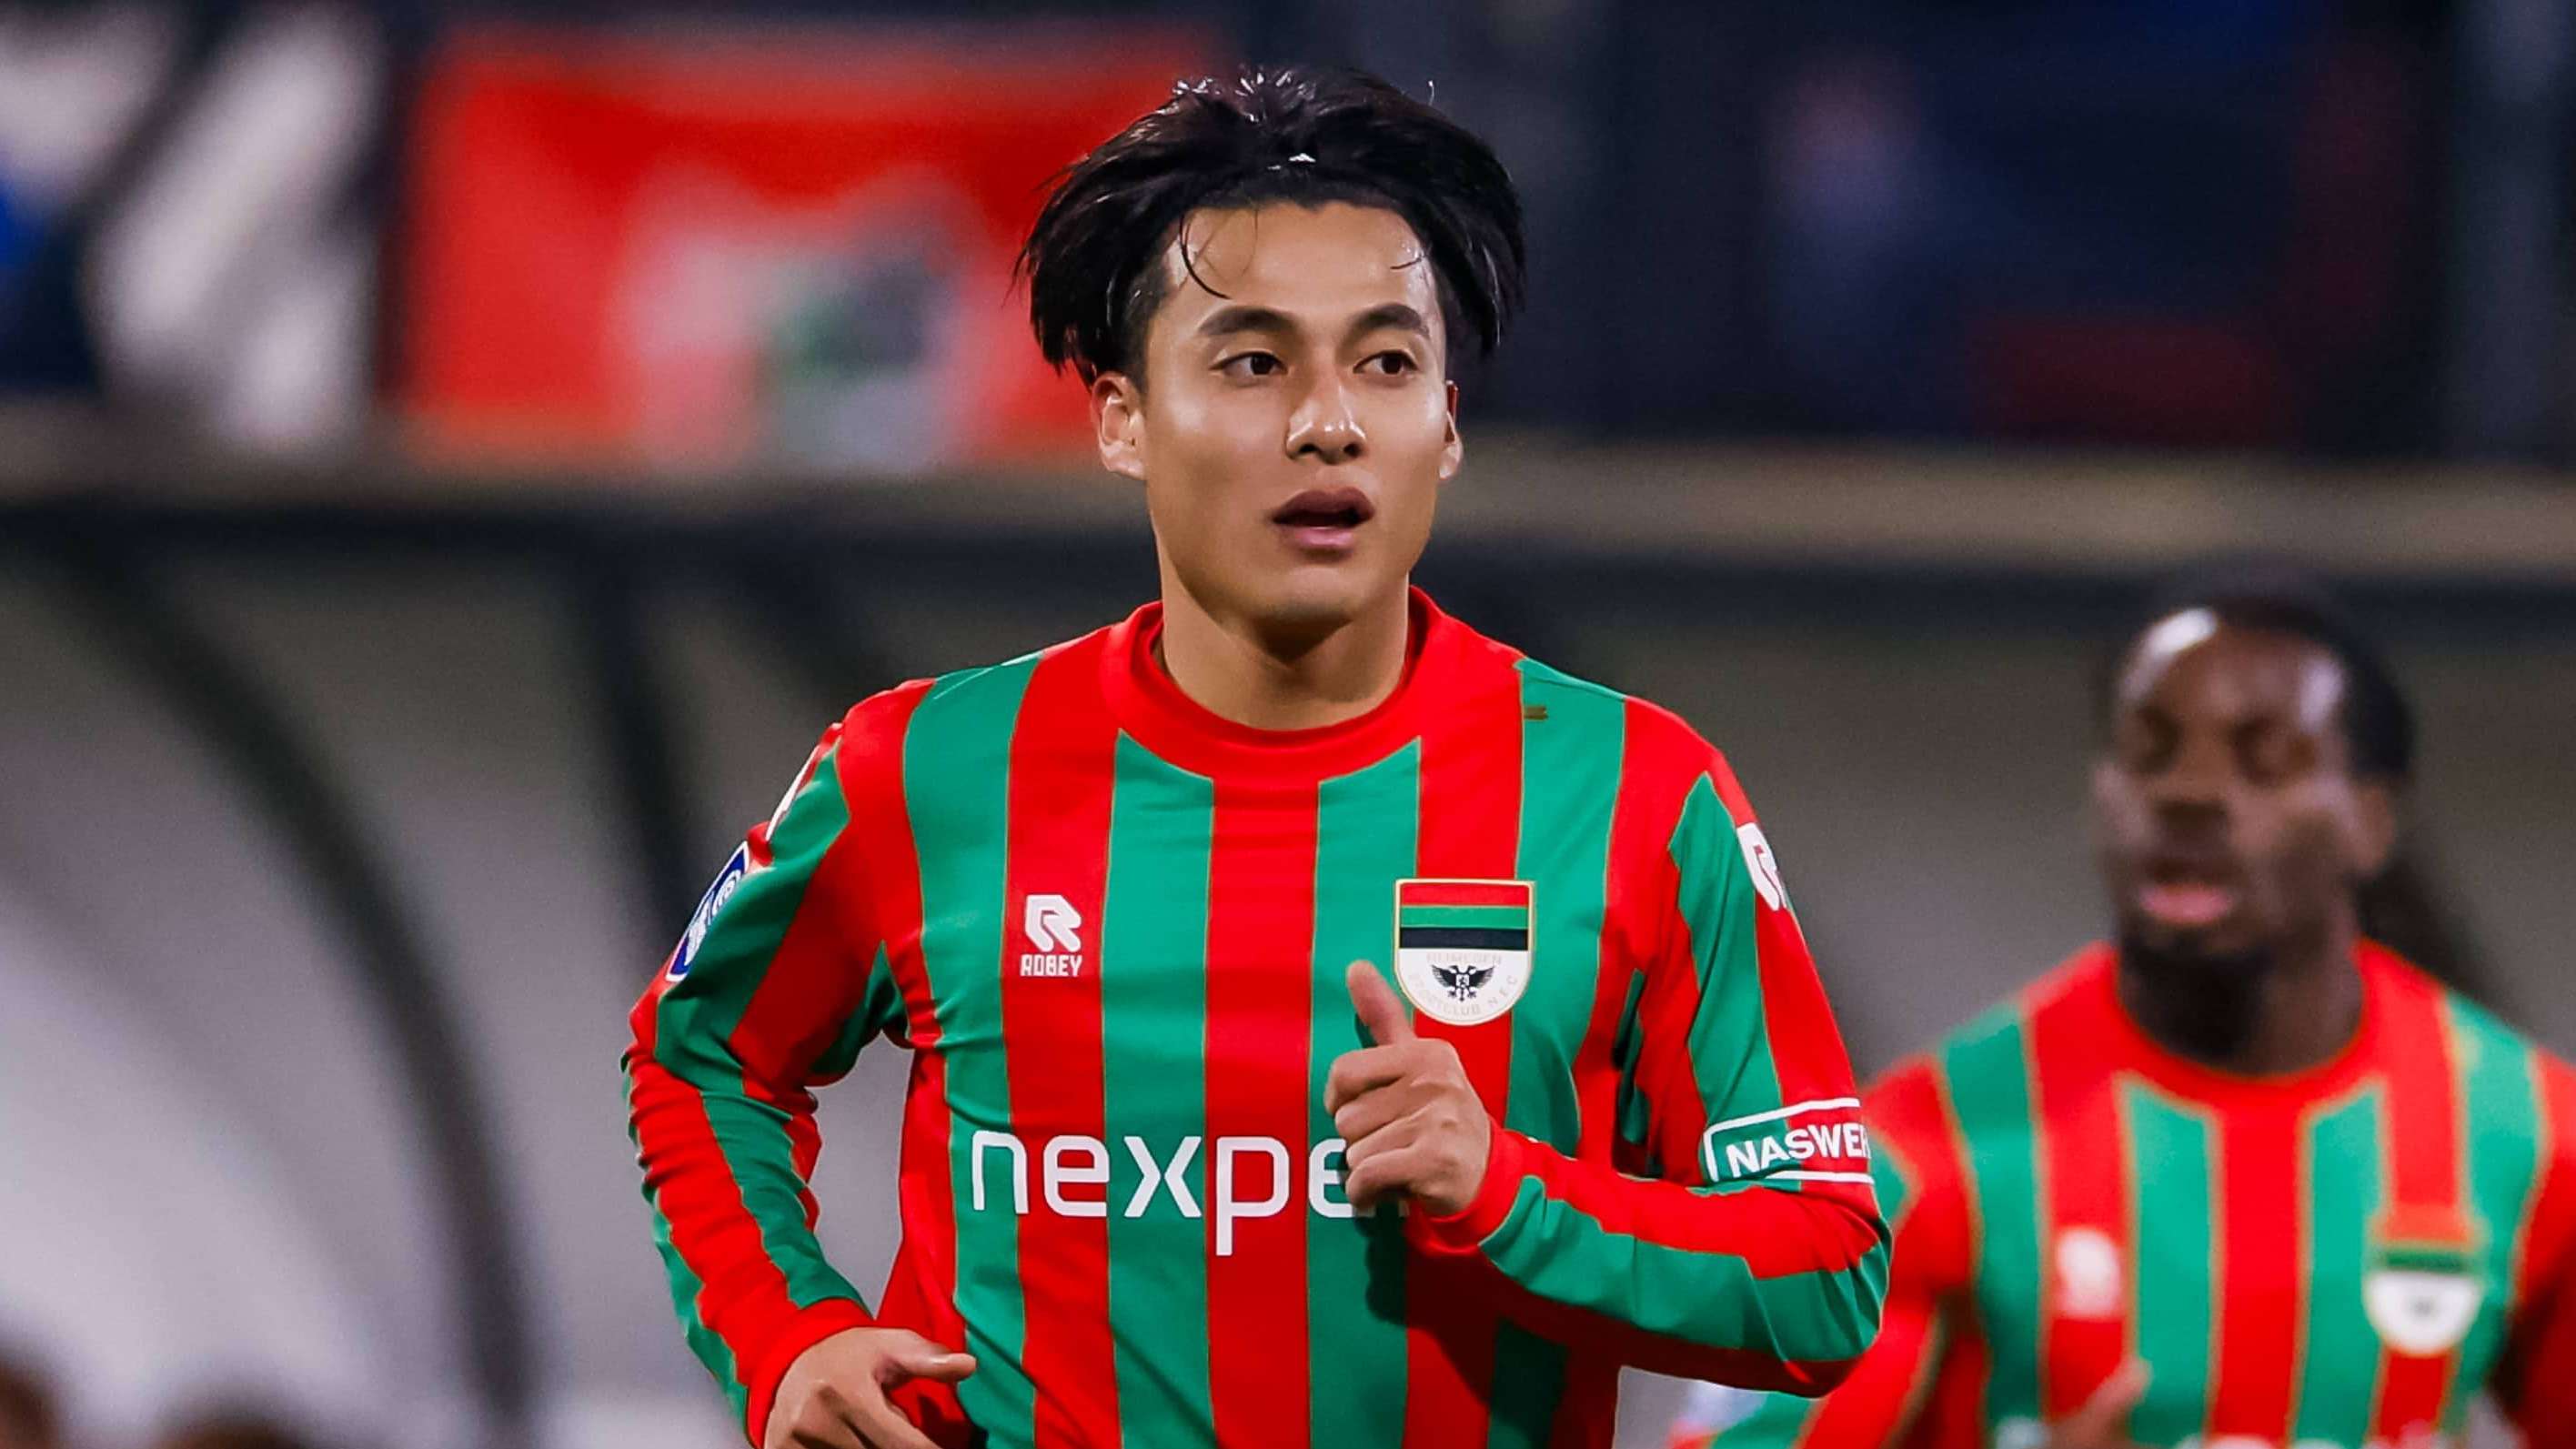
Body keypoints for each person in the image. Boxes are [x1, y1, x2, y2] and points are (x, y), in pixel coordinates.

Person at [622, 66, 1887, 1449]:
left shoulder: (1637, 795)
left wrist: (1510, 1198)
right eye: (1253, 362)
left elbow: (1826, 1275)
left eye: (1386, 363)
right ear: (1120, 417)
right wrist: (785, 1334)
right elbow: (700, 1060)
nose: (1327, 421)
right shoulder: (922, 772)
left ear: (1446, 423)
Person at [1675, 571, 2576, 1448]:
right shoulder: (1914, 1159)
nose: (2188, 792)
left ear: (2371, 822)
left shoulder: (2533, 1142)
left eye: (2263, 760)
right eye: (2148, 752)